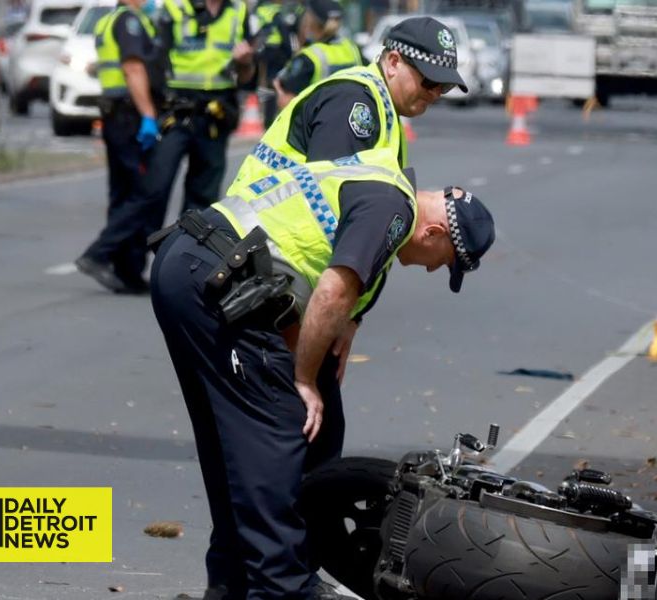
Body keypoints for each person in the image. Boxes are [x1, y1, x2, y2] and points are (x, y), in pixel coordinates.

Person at [149, 147, 495, 600]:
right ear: (433, 232)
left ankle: (232, 582)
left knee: (238, 442)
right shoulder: (393, 213)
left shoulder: (381, 182)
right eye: (443, 261)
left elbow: (300, 288)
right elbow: (332, 294)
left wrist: (307, 375)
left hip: (190, 263)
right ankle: (281, 589)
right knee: (278, 437)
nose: (432, 268)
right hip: (213, 276)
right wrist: (304, 382)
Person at [229, 16, 467, 189]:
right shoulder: (354, 103)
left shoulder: (387, 110)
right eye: (430, 82)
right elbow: (334, 197)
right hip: (259, 241)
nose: (436, 94)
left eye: (444, 87)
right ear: (394, 63)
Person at [75, 0, 165, 293]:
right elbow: (133, 68)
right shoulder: (129, 22)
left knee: (122, 193)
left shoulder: (106, 20)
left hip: (113, 114)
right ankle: (98, 254)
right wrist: (149, 116)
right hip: (129, 115)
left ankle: (127, 271)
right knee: (144, 194)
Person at [147, 0, 256, 217]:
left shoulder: (237, 11)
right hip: (175, 108)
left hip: (215, 111)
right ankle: (142, 247)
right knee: (156, 186)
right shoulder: (173, 8)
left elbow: (247, 76)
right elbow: (154, 64)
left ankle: (187, 248)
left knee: (203, 195)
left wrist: (245, 61)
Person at [272, 0, 365, 108]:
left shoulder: (308, 58)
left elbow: (287, 101)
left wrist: (278, 89)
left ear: (310, 21)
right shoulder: (352, 49)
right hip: (348, 118)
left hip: (317, 122)